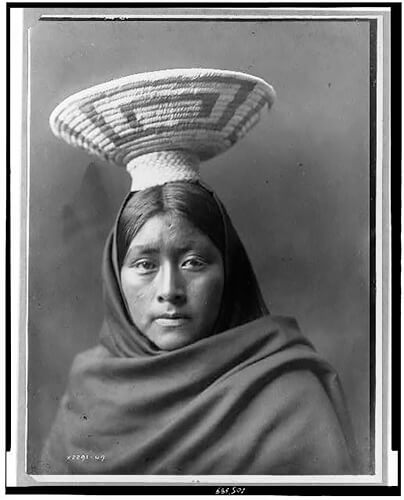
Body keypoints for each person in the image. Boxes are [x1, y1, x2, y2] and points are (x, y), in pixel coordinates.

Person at [39, 68, 358, 475]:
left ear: (230, 269)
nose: (169, 290)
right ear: (114, 277)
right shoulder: (87, 394)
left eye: (193, 262)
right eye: (144, 265)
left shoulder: (289, 397)